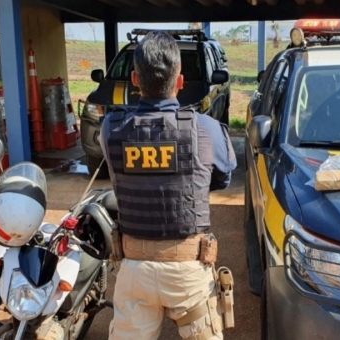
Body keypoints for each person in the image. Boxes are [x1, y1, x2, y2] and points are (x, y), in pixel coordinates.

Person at [99, 30, 237, 340]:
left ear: (135, 80)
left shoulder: (111, 128)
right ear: (179, 81)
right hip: (188, 271)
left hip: (134, 271)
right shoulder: (207, 129)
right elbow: (223, 178)